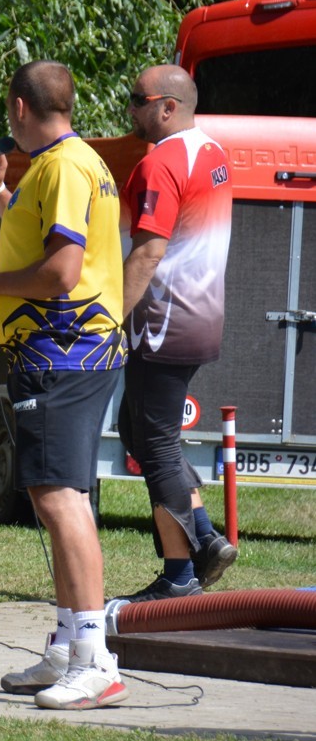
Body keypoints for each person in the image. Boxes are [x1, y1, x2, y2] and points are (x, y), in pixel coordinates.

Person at [0, 60, 127, 711]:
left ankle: (94, 659)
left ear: (19, 107)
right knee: (57, 494)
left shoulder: (64, 167)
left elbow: (60, 272)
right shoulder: (65, 163)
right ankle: (68, 643)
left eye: (7, 108)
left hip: (64, 354)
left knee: (59, 498)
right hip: (64, 353)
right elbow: (36, 244)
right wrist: (0, 193)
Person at [111, 65, 236, 601]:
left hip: (164, 322)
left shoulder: (161, 162)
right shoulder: (212, 152)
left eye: (137, 99)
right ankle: (205, 537)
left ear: (167, 106)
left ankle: (179, 574)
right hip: (201, 315)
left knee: (156, 444)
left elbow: (148, 252)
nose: (130, 109)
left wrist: (110, 318)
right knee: (137, 430)